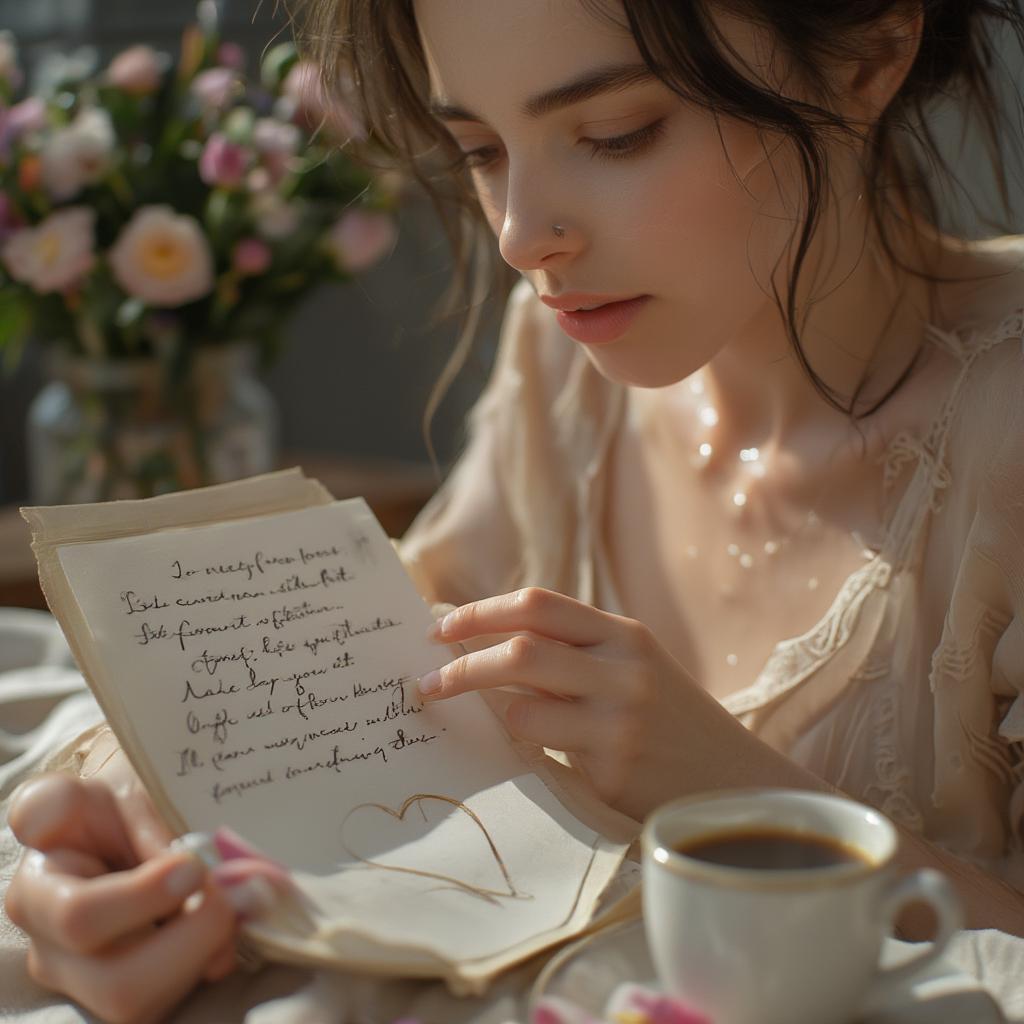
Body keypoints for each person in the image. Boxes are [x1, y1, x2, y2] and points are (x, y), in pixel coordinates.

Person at [7, 0, 1024, 1019]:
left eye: (614, 135)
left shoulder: (1002, 440)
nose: (520, 236)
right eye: (480, 151)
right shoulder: (568, 363)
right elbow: (386, 639)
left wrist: (725, 785)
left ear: (870, 55)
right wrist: (126, 812)